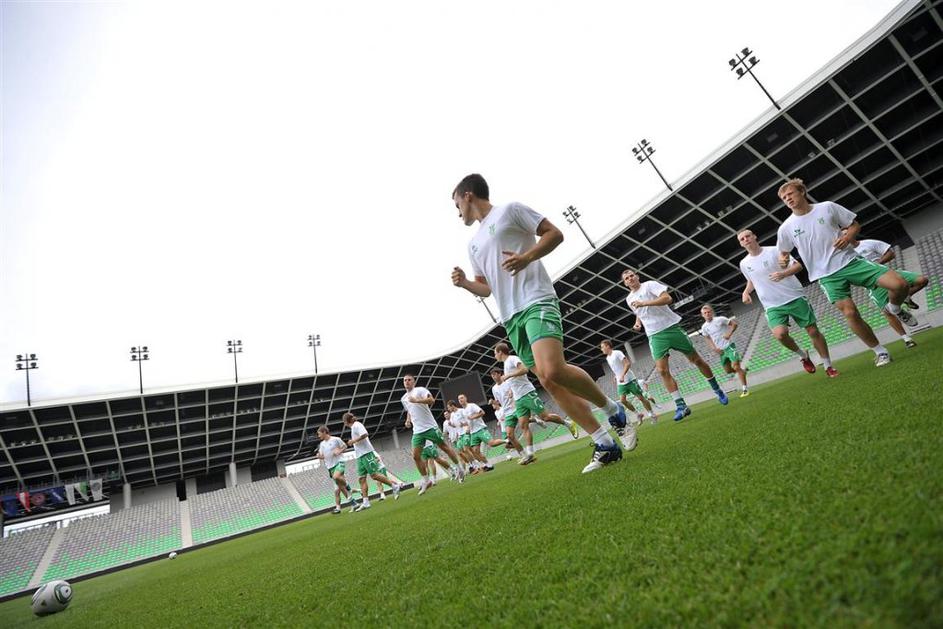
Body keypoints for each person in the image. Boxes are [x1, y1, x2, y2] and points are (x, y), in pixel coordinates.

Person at [450, 174, 626, 473]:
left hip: (536, 299)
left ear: (468, 195)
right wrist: (466, 283)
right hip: (510, 316)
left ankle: (612, 408)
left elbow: (554, 234)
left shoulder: (510, 210)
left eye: (457, 204)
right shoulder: (473, 245)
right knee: (548, 381)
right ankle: (604, 443)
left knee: (552, 369)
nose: (457, 212)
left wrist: (527, 257)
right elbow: (486, 287)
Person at [776, 178, 914, 367]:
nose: (788, 199)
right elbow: (783, 253)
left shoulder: (827, 207)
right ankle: (880, 352)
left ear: (802, 192)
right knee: (850, 313)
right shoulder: (786, 228)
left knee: (900, 285)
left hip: (851, 262)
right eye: (784, 198)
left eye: (790, 194)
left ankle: (895, 308)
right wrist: (783, 260)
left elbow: (854, 225)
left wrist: (848, 237)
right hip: (826, 275)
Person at [622, 269, 729, 422]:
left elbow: (667, 298)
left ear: (637, 276)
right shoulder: (629, 299)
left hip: (672, 327)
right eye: (627, 278)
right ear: (625, 283)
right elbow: (639, 312)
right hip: (654, 335)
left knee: (696, 360)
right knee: (662, 370)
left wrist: (645, 302)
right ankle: (681, 405)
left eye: (632, 275)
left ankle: (717, 389)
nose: (630, 278)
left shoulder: (649, 285)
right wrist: (638, 322)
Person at [738, 229, 838, 377]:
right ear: (741, 244)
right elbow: (751, 280)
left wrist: (783, 274)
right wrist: (746, 292)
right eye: (742, 239)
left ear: (754, 236)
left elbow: (798, 266)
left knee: (813, 331)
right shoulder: (744, 263)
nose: (746, 239)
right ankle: (803, 355)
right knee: (780, 334)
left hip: (794, 297)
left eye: (748, 236)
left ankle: (828, 365)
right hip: (772, 305)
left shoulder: (775, 251)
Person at [494, 343, 584, 462]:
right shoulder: (506, 364)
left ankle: (568, 423)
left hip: (527, 393)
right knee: (523, 425)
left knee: (545, 417)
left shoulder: (512, 359)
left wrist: (509, 375)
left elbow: (525, 369)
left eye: (495, 353)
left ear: (500, 352)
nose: (495, 356)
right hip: (518, 399)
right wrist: (512, 394)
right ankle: (530, 454)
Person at [852, 235, 928, 349]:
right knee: (887, 312)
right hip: (873, 285)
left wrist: (877, 264)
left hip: (887, 274)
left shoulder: (868, 243)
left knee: (922, 280)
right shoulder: (844, 256)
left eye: (845, 233)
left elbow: (891, 253)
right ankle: (907, 339)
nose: (842, 237)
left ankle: (907, 296)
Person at [402, 374, 465, 494]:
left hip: (430, 427)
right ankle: (426, 480)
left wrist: (417, 400)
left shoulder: (420, 390)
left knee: (444, 447)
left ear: (414, 382)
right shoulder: (404, 398)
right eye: (405, 380)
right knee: (415, 456)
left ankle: (459, 468)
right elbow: (409, 410)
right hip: (417, 431)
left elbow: (432, 400)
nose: (407, 382)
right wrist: (408, 420)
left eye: (409, 380)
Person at [343, 413, 403, 510]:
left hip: (366, 453)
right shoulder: (353, 427)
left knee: (374, 475)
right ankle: (366, 502)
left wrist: (353, 441)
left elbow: (365, 434)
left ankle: (394, 486)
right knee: (361, 479)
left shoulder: (357, 425)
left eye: (344, 421)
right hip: (360, 456)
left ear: (346, 421)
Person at [599, 340, 657, 424]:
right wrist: (616, 375)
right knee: (622, 400)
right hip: (621, 382)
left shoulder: (617, 353)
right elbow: (617, 368)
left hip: (630, 379)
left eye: (602, 347)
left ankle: (652, 414)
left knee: (641, 398)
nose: (601, 349)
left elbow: (627, 364)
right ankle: (638, 414)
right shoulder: (608, 358)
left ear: (608, 346)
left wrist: (622, 375)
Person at [698, 306, 749, 398]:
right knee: (728, 371)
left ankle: (745, 389)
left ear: (712, 312)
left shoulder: (720, 319)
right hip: (721, 351)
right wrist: (714, 348)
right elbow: (707, 338)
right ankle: (742, 372)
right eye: (705, 313)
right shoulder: (704, 327)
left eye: (708, 312)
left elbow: (734, 324)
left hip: (729, 347)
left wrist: (729, 334)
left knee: (735, 366)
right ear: (702, 315)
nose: (707, 314)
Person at [315, 425, 357, 514]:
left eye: (319, 434)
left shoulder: (336, 439)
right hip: (330, 467)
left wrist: (339, 451)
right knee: (340, 488)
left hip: (339, 462)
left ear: (324, 432)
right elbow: (322, 456)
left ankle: (348, 487)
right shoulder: (322, 444)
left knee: (336, 477)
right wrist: (319, 456)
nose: (318, 436)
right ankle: (353, 503)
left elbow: (345, 446)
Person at [458, 394, 499, 472]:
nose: (460, 400)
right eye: (459, 399)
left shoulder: (472, 405)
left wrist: (473, 417)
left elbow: (482, 412)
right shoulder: (463, 411)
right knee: (475, 451)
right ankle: (488, 465)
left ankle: (506, 441)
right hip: (473, 432)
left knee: (492, 443)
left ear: (466, 398)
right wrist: (466, 427)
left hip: (480, 429)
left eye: (462, 398)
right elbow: (469, 422)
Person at [489, 368, 523, 459]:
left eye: (495, 374)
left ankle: (534, 419)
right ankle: (524, 455)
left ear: (499, 374)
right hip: (507, 412)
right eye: (492, 375)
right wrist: (493, 402)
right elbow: (498, 401)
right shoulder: (494, 388)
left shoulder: (507, 382)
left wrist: (512, 392)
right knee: (510, 436)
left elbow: (515, 389)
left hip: (515, 407)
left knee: (524, 423)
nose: (493, 377)